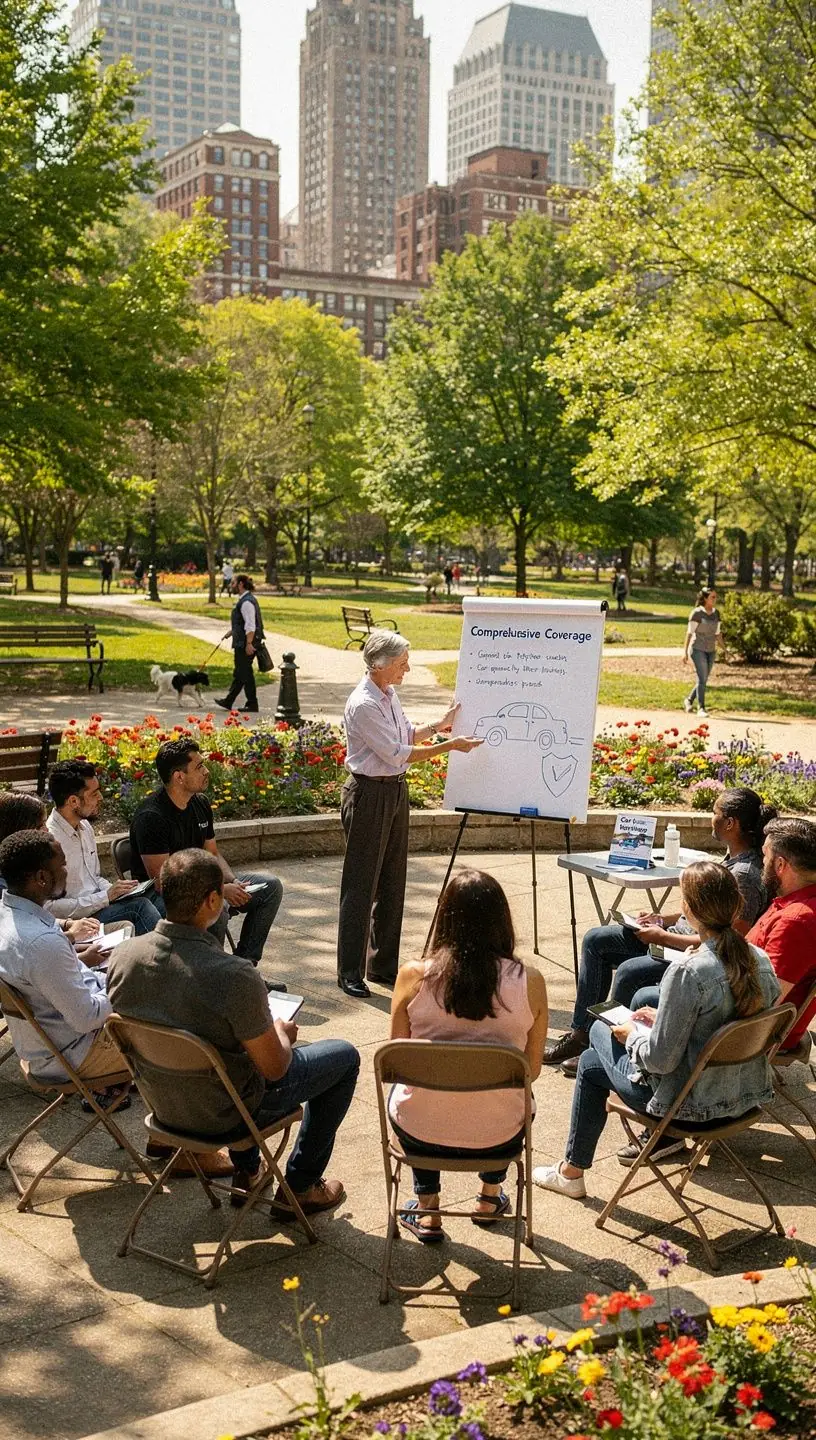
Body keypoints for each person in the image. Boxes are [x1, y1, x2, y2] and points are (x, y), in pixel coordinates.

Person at [107, 850, 359, 1211]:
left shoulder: (123, 956)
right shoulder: (234, 976)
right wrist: (283, 1036)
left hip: (165, 1105)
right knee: (344, 1058)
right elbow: (275, 1068)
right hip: (227, 1113)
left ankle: (249, 1170)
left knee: (233, 1053)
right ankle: (301, 1187)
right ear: (213, 900)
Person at [533, 861, 781, 1198]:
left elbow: (659, 1061)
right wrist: (663, 1015)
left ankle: (572, 1172)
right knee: (607, 1043)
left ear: (688, 909)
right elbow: (720, 1023)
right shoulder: (760, 960)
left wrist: (630, 1034)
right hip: (744, 1098)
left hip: (690, 1107)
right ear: (735, 905)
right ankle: (570, 1173)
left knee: (594, 1047)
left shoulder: (690, 972)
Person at [544, 788, 776, 1076]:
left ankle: (608, 1052)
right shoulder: (731, 859)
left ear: (731, 823)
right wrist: (660, 920)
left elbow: (728, 940)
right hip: (672, 937)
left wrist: (662, 937)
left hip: (686, 951)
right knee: (596, 940)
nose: (710, 819)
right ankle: (582, 1034)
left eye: (715, 814)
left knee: (630, 971)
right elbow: (704, 911)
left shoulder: (744, 876)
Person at [388, 870, 548, 1239]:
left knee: (418, 1097)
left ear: (445, 917)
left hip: (418, 1134)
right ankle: (490, 1198)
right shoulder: (531, 982)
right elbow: (533, 1070)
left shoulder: (412, 977)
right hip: (500, 1136)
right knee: (510, 1097)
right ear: (502, 921)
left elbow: (396, 1063)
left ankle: (428, 1210)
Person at [337, 630, 484, 999]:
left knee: (392, 880)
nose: (408, 669)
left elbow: (406, 734)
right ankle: (348, 972)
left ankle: (382, 966)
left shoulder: (388, 694)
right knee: (361, 886)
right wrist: (450, 746)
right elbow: (396, 752)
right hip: (369, 793)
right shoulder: (364, 704)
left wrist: (440, 724)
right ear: (380, 665)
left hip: (394, 791)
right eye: (402, 664)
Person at [129, 737, 283, 968]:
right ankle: (212, 976)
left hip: (203, 885)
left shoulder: (199, 803)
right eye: (199, 767)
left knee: (270, 887)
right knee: (216, 908)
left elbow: (212, 854)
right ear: (179, 777)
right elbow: (164, 883)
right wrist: (220, 891)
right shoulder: (151, 817)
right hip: (164, 898)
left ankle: (243, 970)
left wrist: (233, 882)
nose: (206, 771)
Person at [0, 830, 122, 1083]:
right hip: (76, 1055)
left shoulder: (8, 916)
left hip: (46, 1047)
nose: (67, 871)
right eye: (63, 865)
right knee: (173, 1014)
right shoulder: (41, 943)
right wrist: (125, 984)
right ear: (42, 877)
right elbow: (87, 1018)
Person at [45, 760, 162, 935]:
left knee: (158, 898)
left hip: (100, 905)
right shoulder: (49, 841)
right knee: (140, 908)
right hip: (77, 920)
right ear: (73, 801)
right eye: (94, 794)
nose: (100, 798)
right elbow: (49, 907)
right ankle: (166, 958)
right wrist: (105, 897)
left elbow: (94, 878)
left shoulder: (85, 827)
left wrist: (118, 889)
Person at [746, 817, 816, 1052]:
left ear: (780, 865)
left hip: (755, 1035)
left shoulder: (797, 921)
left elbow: (764, 1001)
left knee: (644, 993)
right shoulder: (796, 898)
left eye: (765, 856)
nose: (761, 862)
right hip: (749, 1010)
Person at [0, 792, 100, 949]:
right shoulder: (10, 879)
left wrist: (67, 924)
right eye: (41, 825)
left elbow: (39, 914)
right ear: (20, 829)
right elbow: (25, 941)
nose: (48, 830)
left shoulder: (28, 863)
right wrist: (71, 937)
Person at [215, 573, 265, 714]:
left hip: (245, 643)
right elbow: (243, 623)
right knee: (241, 673)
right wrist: (232, 632)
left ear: (241, 584)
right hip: (243, 641)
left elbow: (251, 625)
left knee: (244, 673)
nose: (231, 586)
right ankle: (230, 701)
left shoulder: (247, 602)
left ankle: (250, 704)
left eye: (233, 583)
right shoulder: (245, 600)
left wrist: (249, 643)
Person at [683, 587, 724, 719]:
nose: (715, 599)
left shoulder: (716, 613)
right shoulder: (697, 613)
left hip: (711, 650)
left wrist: (725, 648)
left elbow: (717, 633)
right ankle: (701, 708)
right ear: (705, 598)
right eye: (712, 597)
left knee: (703, 679)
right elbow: (689, 633)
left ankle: (689, 700)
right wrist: (685, 652)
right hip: (697, 649)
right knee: (702, 678)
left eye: (715, 597)